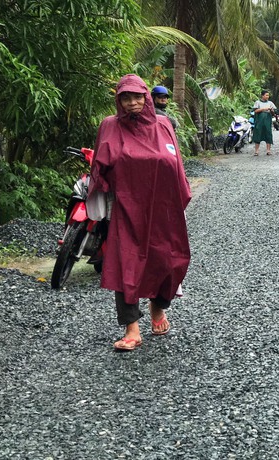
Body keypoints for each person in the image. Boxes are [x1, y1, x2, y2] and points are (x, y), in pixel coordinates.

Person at [90, 74, 192, 351]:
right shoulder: (110, 126)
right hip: (126, 208)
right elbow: (100, 167)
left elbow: (176, 164)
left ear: (146, 98)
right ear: (118, 100)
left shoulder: (163, 124)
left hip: (163, 208)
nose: (133, 102)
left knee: (168, 261)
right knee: (127, 265)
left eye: (138, 96)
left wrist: (181, 195)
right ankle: (131, 328)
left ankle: (158, 308)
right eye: (126, 97)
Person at [252, 90, 277, 156]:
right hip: (259, 121)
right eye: (266, 95)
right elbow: (255, 110)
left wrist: (271, 110)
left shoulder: (270, 103)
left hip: (267, 120)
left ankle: (268, 150)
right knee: (258, 134)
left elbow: (274, 112)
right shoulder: (257, 102)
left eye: (268, 95)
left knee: (268, 134)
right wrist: (264, 109)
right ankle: (256, 151)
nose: (267, 96)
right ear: (262, 95)